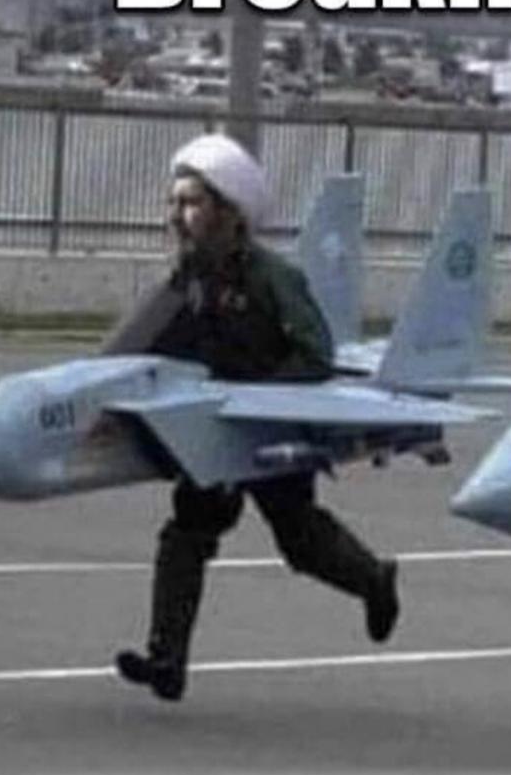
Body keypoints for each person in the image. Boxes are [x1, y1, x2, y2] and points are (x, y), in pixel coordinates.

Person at [113, 133, 399, 702]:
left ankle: (375, 581)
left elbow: (315, 354)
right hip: (212, 428)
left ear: (228, 212)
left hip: (270, 427)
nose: (178, 216)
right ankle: (167, 660)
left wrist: (261, 396)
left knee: (299, 538)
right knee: (188, 532)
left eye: (192, 203)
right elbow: (145, 343)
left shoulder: (273, 278)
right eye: (175, 203)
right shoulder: (188, 277)